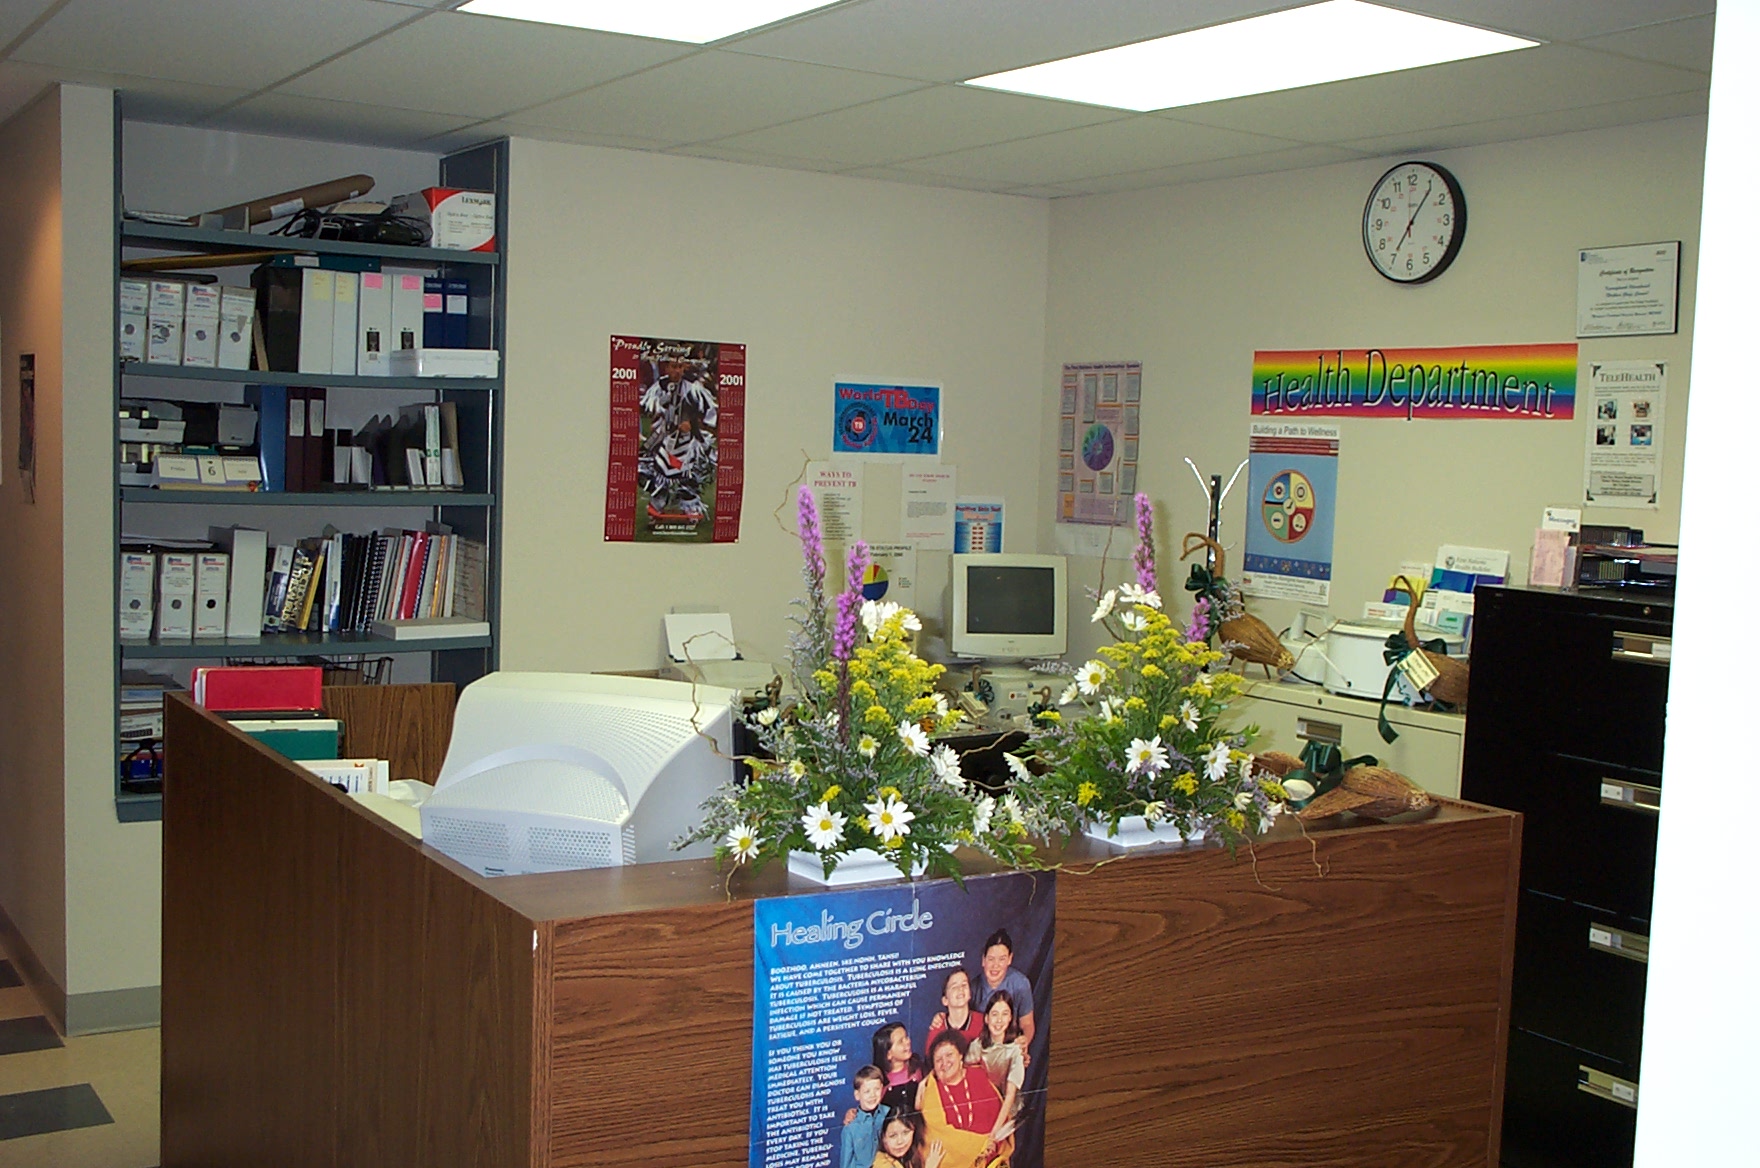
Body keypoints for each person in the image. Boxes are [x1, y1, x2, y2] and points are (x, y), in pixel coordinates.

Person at [915, 1032, 1013, 1168]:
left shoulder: (979, 1075)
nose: (944, 1063)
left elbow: (999, 1114)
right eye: (938, 1060)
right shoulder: (930, 1092)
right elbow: (937, 1137)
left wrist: (992, 1143)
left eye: (949, 1055)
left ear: (960, 1055)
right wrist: (981, 1145)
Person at [971, 929, 1035, 1054]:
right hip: (981, 1050)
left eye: (1002, 959)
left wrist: (1023, 1043)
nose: (996, 965)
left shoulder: (1020, 984)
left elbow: (1027, 1023)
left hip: (1009, 1049)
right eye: (991, 959)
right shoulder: (972, 988)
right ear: (983, 960)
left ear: (1010, 959)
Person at [967, 991, 1025, 1122]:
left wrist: (996, 1130)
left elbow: (1010, 1095)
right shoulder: (976, 1046)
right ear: (986, 1018)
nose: (999, 1020)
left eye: (1005, 1014)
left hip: (1007, 1114)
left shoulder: (1015, 1051)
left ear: (1010, 1018)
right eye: (994, 1014)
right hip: (982, 1110)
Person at [841, 1064, 891, 1168]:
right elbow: (846, 1164)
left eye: (876, 1089)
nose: (872, 1095)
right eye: (867, 1091)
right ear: (857, 1095)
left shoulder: (889, 1113)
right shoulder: (850, 1127)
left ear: (882, 1088)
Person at [872, 1022, 925, 1116]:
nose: (907, 1042)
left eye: (906, 1037)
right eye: (901, 1041)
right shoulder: (879, 1082)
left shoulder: (919, 1068)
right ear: (888, 1054)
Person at [924, 968, 983, 1051]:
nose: (960, 989)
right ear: (945, 1000)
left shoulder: (983, 1023)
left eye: (964, 985)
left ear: (970, 994)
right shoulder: (937, 1029)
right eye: (954, 987)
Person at [873, 1111, 945, 1168]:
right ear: (882, 1137)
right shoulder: (880, 1163)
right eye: (893, 1136)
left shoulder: (911, 1156)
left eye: (905, 1132)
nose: (900, 1141)